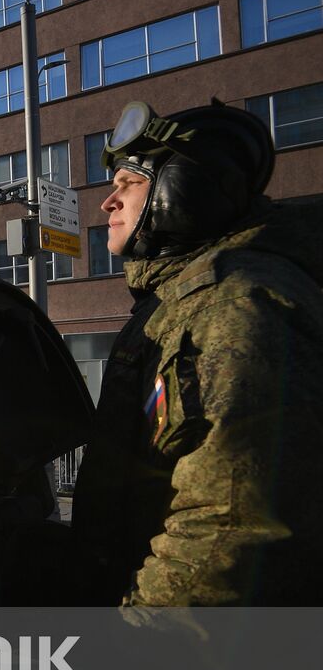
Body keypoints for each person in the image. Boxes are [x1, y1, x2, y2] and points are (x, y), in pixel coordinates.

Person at [71, 99, 323, 607]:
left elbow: (233, 521)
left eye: (129, 183)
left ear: (180, 193)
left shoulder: (234, 301)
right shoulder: (178, 299)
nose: (107, 203)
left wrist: (138, 643)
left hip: (194, 653)